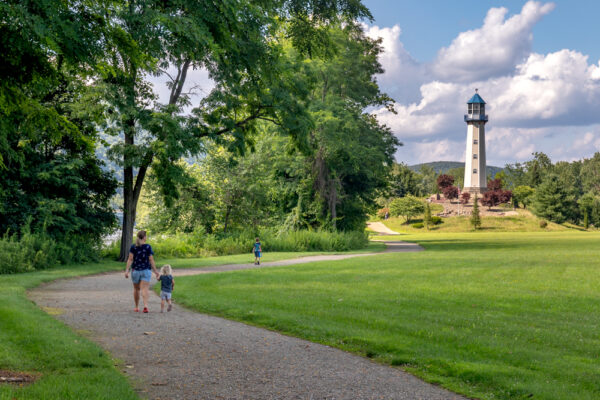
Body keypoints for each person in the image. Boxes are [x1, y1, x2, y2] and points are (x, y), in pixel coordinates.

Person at [124, 230, 160, 313]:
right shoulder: (148, 247)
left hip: (135, 271)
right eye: (146, 236)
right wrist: (155, 271)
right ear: (144, 237)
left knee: (136, 289)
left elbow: (130, 259)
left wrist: (127, 270)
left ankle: (136, 307)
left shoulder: (133, 247)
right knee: (145, 289)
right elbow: (151, 259)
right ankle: (145, 306)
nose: (146, 237)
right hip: (146, 270)